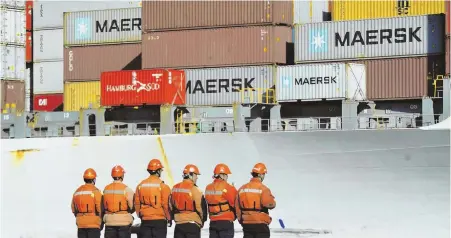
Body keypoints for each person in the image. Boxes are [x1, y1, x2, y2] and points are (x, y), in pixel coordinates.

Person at [235, 163, 276, 238]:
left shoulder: (242, 189)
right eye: (263, 174)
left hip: (246, 224)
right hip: (260, 225)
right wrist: (272, 199)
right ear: (260, 175)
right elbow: (270, 204)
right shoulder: (264, 189)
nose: (264, 176)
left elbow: (237, 207)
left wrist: (242, 220)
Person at [135, 159, 172, 238]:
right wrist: (169, 218)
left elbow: (137, 203)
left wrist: (140, 215)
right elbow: (166, 205)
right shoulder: (163, 186)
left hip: (145, 220)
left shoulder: (140, 185)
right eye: (161, 170)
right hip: (160, 221)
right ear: (158, 171)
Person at [170, 164, 208, 238]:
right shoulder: (196, 190)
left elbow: (171, 206)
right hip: (192, 225)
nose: (197, 177)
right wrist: (202, 221)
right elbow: (201, 208)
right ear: (191, 175)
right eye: (196, 175)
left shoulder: (174, 188)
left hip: (178, 225)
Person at [205, 164, 238, 238]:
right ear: (222, 175)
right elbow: (235, 203)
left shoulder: (208, 187)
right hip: (225, 222)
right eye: (226, 175)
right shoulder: (228, 187)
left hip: (213, 222)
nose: (227, 177)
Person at [103, 165, 135, 238]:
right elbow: (132, 206)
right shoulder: (126, 189)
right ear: (122, 175)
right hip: (124, 223)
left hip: (109, 222)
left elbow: (103, 205)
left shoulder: (106, 189)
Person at [71, 168, 104, 238]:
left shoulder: (77, 192)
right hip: (94, 224)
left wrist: (80, 217)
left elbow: (73, 208)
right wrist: (100, 221)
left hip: (81, 224)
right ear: (93, 179)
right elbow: (100, 208)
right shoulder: (96, 191)